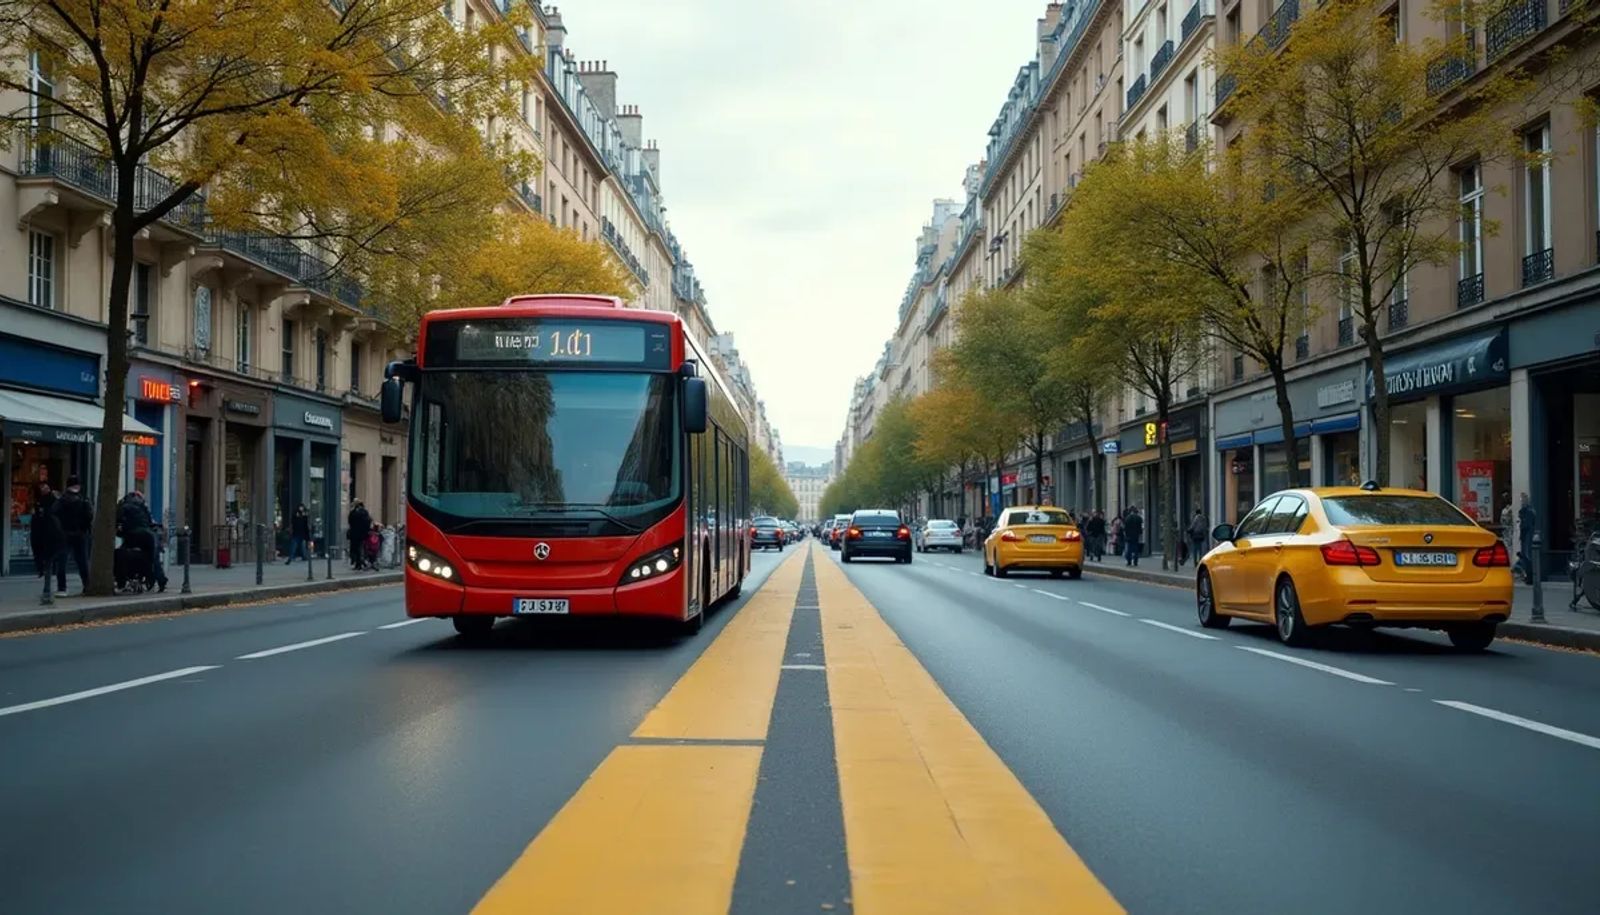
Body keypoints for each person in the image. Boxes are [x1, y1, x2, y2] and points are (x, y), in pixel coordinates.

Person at [117, 490, 166, 592]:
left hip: (132, 535)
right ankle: (160, 580)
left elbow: (118, 522)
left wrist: (120, 530)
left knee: (121, 555)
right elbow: (149, 521)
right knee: (153, 558)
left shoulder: (123, 507)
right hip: (148, 535)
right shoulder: (143, 506)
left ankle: (123, 580)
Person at [56, 475, 93, 590]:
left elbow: (54, 514)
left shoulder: (61, 500)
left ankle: (61, 588)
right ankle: (86, 585)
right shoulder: (83, 500)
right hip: (80, 534)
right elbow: (89, 516)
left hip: (64, 534)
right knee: (82, 562)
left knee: (61, 561)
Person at [30, 482, 67, 595]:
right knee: (48, 562)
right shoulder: (39, 504)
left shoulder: (55, 500)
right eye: (42, 487)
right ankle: (48, 588)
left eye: (46, 486)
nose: (45, 488)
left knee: (52, 561)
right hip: (46, 536)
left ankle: (51, 588)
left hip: (54, 536)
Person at [1516, 492, 1536, 585]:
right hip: (1527, 535)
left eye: (1522, 500)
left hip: (1527, 536)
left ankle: (1529, 577)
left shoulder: (1527, 512)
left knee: (1527, 556)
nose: (1521, 501)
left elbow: (1525, 526)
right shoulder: (1530, 511)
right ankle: (1528, 576)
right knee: (1526, 556)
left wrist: (1522, 536)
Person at [348, 499, 372, 571]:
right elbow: (368, 521)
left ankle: (358, 563)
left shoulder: (354, 512)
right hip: (362, 534)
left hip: (355, 533)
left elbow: (350, 521)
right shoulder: (364, 512)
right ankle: (361, 562)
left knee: (356, 549)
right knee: (360, 548)